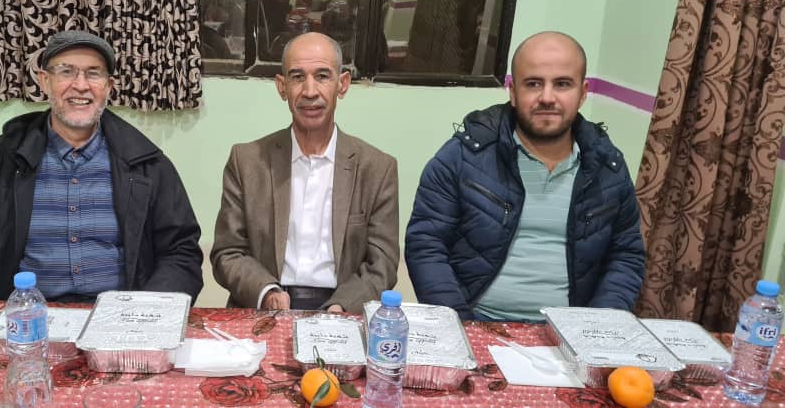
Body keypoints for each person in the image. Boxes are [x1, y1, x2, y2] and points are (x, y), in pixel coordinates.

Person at [0, 30, 203, 302]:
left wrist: (146, 314)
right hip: (25, 319)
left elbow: (181, 253)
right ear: (44, 81)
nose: (80, 85)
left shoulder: (148, 166)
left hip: (121, 319)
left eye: (93, 73)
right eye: (66, 71)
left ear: (109, 86)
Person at [405, 31, 645, 321]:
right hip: (475, 322)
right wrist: (459, 324)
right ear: (513, 92)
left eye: (562, 84)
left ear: (582, 93)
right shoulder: (463, 156)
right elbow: (425, 244)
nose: (547, 98)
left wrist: (595, 327)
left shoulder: (608, 166)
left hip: (571, 331)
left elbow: (626, 256)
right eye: (533, 84)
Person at [211, 32, 399, 314]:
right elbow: (228, 252)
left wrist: (341, 306)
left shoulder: (377, 168)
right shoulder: (247, 161)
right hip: (266, 305)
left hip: (342, 306)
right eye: (298, 77)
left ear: (343, 84)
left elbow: (382, 263)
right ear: (282, 87)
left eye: (322, 76)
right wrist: (267, 292)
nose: (310, 91)